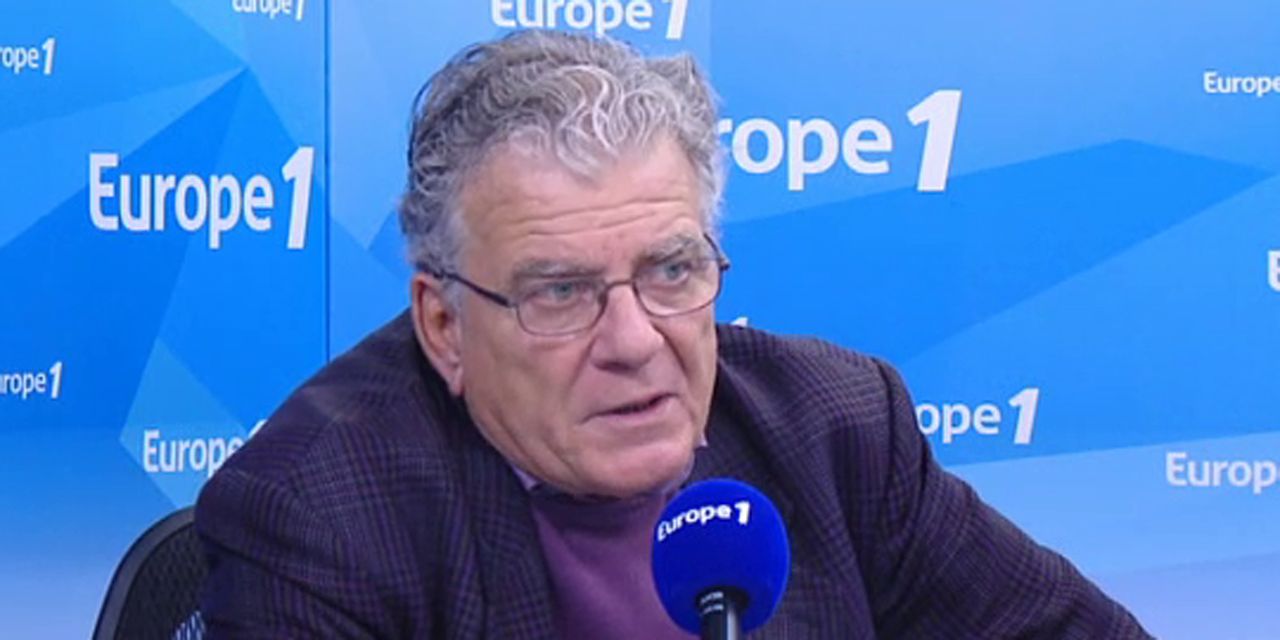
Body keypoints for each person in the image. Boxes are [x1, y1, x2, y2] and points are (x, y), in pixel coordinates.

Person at [195, 29, 1150, 638]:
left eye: (671, 271)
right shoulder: (319, 511)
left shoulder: (838, 430)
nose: (635, 340)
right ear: (444, 325)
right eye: (561, 292)